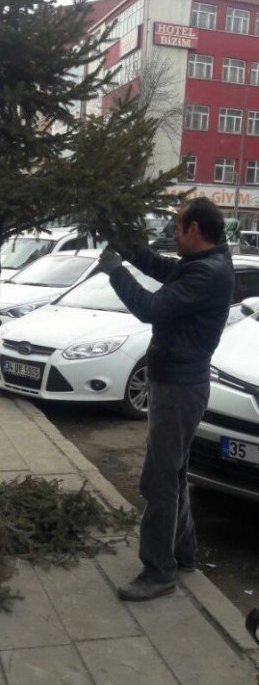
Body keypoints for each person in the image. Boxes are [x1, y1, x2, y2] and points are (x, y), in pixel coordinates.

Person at [96, 197, 234, 602]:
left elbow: (149, 308)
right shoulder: (201, 264)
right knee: (173, 474)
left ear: (194, 230)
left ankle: (158, 571)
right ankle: (183, 552)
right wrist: (120, 239)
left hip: (178, 389)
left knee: (157, 481)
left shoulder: (207, 274)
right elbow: (159, 266)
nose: (174, 232)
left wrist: (115, 271)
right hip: (179, 384)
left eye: (177, 226)